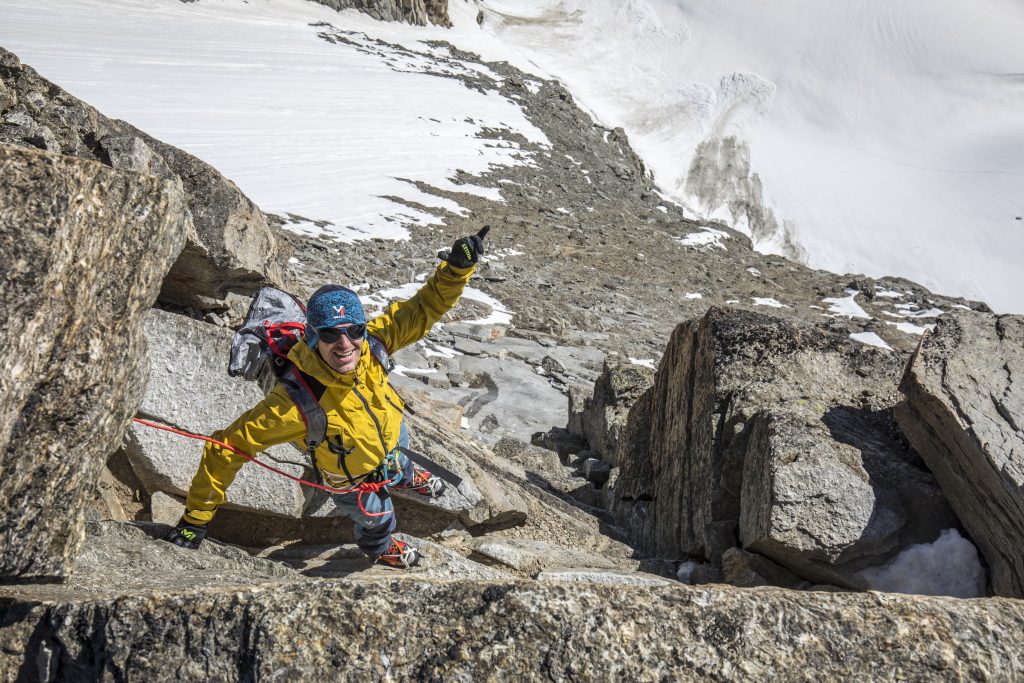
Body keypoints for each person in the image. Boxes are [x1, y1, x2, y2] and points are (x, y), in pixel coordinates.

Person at [163, 229, 487, 568]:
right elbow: (225, 450)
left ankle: (405, 476)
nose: (345, 343)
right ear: (313, 337)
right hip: (352, 481)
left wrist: (456, 269)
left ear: (363, 328)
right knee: (378, 518)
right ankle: (380, 546)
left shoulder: (375, 344)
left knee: (399, 455)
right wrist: (195, 520)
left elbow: (424, 308)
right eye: (331, 334)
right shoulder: (294, 403)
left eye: (354, 330)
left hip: (392, 439)